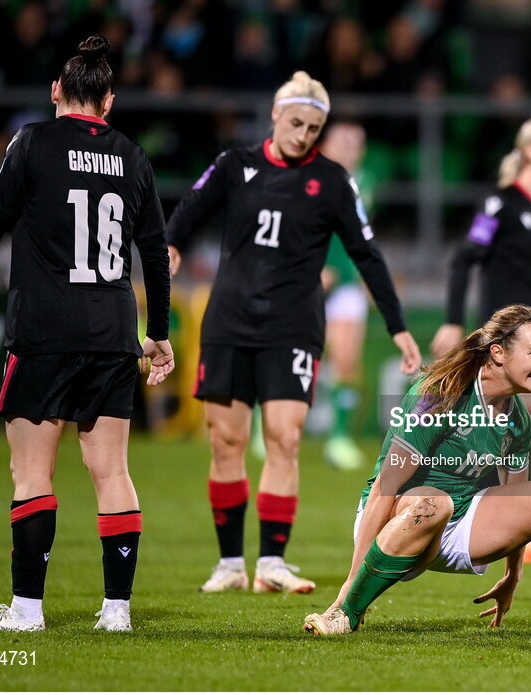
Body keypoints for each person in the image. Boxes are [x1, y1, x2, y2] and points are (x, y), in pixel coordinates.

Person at [165, 71, 421, 595]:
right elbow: (187, 212)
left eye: (313, 127)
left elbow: (367, 254)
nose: (303, 134)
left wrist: (397, 326)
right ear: (276, 115)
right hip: (229, 321)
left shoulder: (333, 181)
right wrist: (170, 246)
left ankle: (272, 563)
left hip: (293, 326)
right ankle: (230, 563)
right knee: (226, 440)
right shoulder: (234, 165)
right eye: (296, 122)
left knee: (285, 437)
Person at [0, 36, 174, 633]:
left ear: (56, 90)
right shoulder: (133, 157)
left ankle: (26, 611)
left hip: (44, 330)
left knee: (32, 474)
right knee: (113, 471)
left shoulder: (31, 142)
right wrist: (158, 332)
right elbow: (155, 255)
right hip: (112, 332)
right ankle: (117, 611)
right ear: (109, 101)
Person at [303, 304, 531, 636]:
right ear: (498, 353)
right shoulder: (439, 395)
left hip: (461, 520)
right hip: (395, 520)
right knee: (435, 503)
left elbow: (515, 501)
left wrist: (512, 577)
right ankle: (347, 613)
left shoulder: (517, 420)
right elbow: (383, 490)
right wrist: (350, 585)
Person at [431, 117, 531, 441]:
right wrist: (453, 322)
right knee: (508, 431)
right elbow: (463, 259)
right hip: (507, 336)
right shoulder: (499, 204)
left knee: (521, 432)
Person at [318, 120, 375, 471]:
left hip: (347, 284)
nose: (351, 148)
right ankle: (266, 423)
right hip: (309, 280)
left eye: (357, 142)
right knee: (291, 356)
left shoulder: (365, 181)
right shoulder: (309, 178)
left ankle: (338, 438)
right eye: (343, 141)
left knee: (346, 362)